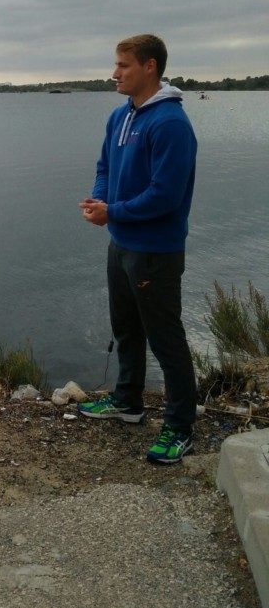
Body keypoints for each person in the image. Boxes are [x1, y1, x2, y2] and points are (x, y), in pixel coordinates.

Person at [77, 34, 198, 465]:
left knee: (166, 340)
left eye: (123, 66)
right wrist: (99, 202)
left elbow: (165, 196)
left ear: (150, 67)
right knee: (126, 328)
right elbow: (105, 166)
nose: (114, 73)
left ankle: (180, 427)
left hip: (155, 252)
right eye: (116, 65)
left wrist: (114, 211)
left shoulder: (170, 124)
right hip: (122, 244)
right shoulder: (120, 116)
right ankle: (128, 401)